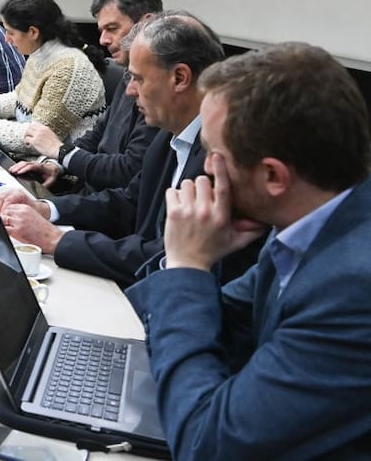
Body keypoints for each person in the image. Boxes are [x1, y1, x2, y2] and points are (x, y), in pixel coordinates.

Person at [127, 43, 371, 459]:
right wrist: (181, 267)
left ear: (273, 176)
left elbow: (208, 446)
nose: (206, 169)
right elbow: (164, 321)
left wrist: (188, 266)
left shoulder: (352, 287)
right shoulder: (302, 223)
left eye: (216, 156)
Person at [0, 12, 258, 286]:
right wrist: (45, 209)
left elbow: (172, 257)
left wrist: (56, 240)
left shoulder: (225, 155)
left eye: (139, 79)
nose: (130, 91)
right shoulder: (170, 135)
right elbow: (128, 203)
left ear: (180, 78)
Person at [11, 0, 162, 191]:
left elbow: (127, 171)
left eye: (112, 28)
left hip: (105, 203)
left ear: (146, 24)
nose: (103, 40)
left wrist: (62, 153)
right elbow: (97, 135)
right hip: (91, 191)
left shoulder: (159, 91)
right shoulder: (129, 74)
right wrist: (56, 164)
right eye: (101, 30)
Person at [0, 0, 107, 158]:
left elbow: (38, 140)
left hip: (57, 168)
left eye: (11, 32)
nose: (7, 39)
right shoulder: (40, 53)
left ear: (33, 32)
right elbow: (21, 98)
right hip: (30, 158)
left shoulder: (68, 68)